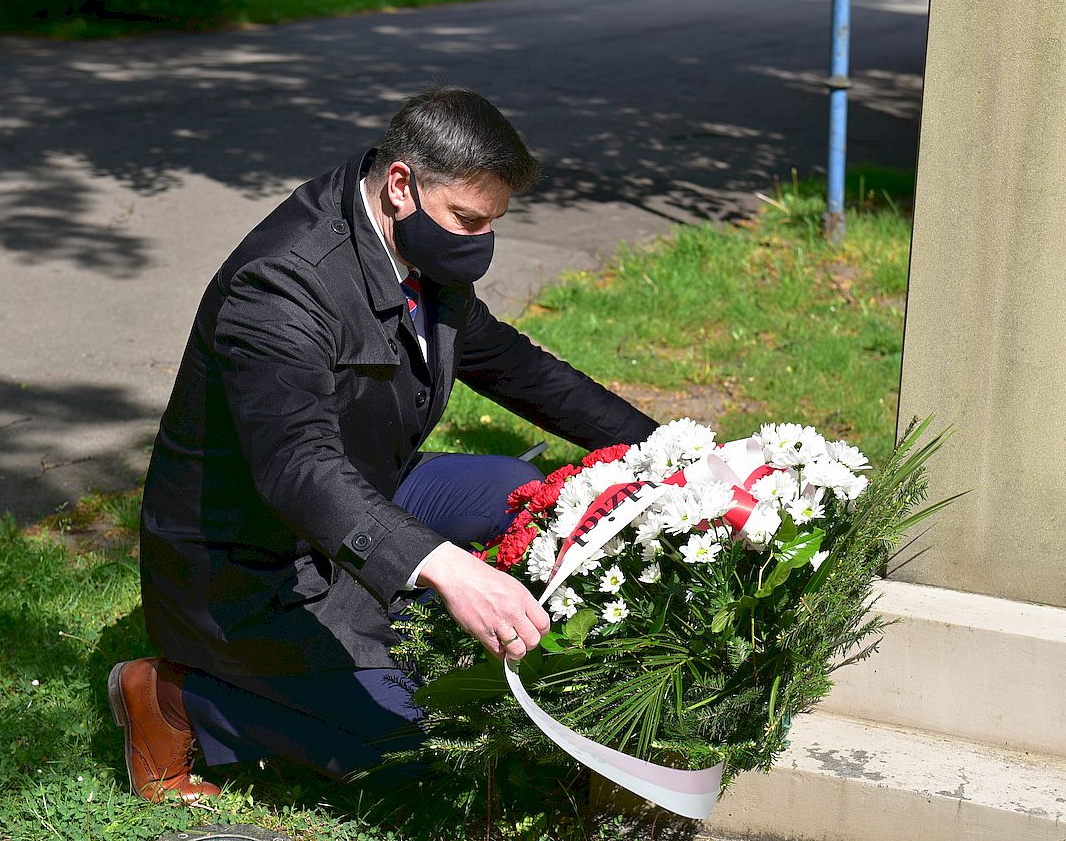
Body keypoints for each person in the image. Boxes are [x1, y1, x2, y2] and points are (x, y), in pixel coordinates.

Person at [108, 86, 657, 802]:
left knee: (523, 495)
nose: (481, 241)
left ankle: (415, 617)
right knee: (444, 749)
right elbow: (298, 472)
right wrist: (446, 569)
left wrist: (671, 448)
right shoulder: (282, 284)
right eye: (468, 219)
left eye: (493, 223)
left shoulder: (418, 247)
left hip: (369, 485)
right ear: (402, 184)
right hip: (251, 565)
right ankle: (179, 697)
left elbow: (520, 368)